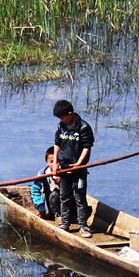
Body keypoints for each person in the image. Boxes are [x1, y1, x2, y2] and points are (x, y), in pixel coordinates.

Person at [51, 98, 94, 237]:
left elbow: (87, 147)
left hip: (78, 170)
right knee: (64, 196)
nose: (62, 120)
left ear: (70, 113)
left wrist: (79, 164)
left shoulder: (83, 127)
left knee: (79, 197)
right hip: (63, 168)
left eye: (63, 117)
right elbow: (57, 144)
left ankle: (83, 225)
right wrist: (55, 164)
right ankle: (65, 223)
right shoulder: (61, 126)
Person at [28, 147, 59, 220]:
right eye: (51, 162)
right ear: (47, 162)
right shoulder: (43, 175)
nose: (55, 164)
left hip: (64, 207)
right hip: (48, 207)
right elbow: (35, 191)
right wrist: (41, 209)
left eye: (58, 161)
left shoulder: (66, 173)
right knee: (54, 195)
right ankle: (56, 215)